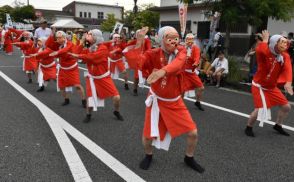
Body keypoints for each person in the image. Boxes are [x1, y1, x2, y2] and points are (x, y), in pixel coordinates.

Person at [126, 26, 204, 173]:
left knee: (193, 132)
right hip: (156, 99)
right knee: (148, 135)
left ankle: (189, 157)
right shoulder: (153, 53)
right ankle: (148, 155)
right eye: (169, 38)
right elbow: (138, 63)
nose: (174, 41)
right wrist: (139, 44)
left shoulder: (181, 51)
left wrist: (162, 71)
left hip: (175, 100)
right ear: (162, 39)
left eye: (176, 38)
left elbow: (179, 63)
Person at [68, 29, 124, 123]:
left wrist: (78, 56)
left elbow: (92, 58)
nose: (88, 37)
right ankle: (88, 114)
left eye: (90, 35)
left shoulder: (103, 48)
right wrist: (82, 43)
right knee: (90, 100)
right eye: (88, 35)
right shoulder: (89, 48)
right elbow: (76, 53)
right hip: (92, 78)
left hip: (104, 77)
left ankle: (116, 111)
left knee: (116, 97)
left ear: (96, 37)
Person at [245, 30, 293, 137]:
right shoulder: (265, 52)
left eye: (285, 43)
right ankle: (249, 127)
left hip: (271, 87)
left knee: (286, 107)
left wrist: (288, 82)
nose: (284, 45)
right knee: (259, 110)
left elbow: (288, 69)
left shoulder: (284, 56)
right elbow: (260, 50)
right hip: (259, 86)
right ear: (274, 43)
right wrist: (265, 40)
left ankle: (278, 125)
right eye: (281, 42)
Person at [46, 31, 86, 107]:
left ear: (64, 38)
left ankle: (83, 100)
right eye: (57, 37)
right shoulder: (57, 44)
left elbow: (65, 50)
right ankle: (66, 99)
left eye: (60, 37)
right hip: (62, 68)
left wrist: (57, 52)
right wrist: (51, 35)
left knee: (77, 85)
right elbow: (48, 45)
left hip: (72, 68)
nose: (58, 39)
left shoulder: (69, 44)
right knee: (61, 86)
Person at [124, 29, 152, 96]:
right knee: (136, 76)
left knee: (149, 75)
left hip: (145, 61)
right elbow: (126, 46)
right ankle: (135, 90)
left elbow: (149, 49)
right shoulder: (135, 41)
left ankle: (153, 91)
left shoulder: (146, 41)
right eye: (138, 34)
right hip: (138, 61)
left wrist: (145, 55)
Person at [182, 33, 205, 111]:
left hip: (191, 72)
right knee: (182, 89)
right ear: (185, 40)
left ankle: (197, 102)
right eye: (188, 39)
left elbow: (197, 57)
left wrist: (196, 62)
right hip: (182, 72)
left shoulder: (195, 48)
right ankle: (180, 105)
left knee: (201, 88)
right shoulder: (182, 48)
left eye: (191, 39)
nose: (189, 41)